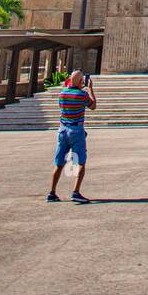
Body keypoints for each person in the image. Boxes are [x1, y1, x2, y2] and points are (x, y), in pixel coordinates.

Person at [46, 69, 96, 203]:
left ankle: (52, 192)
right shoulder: (82, 95)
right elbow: (93, 106)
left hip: (62, 130)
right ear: (81, 82)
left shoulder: (62, 94)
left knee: (59, 163)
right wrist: (90, 89)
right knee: (80, 163)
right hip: (76, 131)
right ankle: (76, 192)